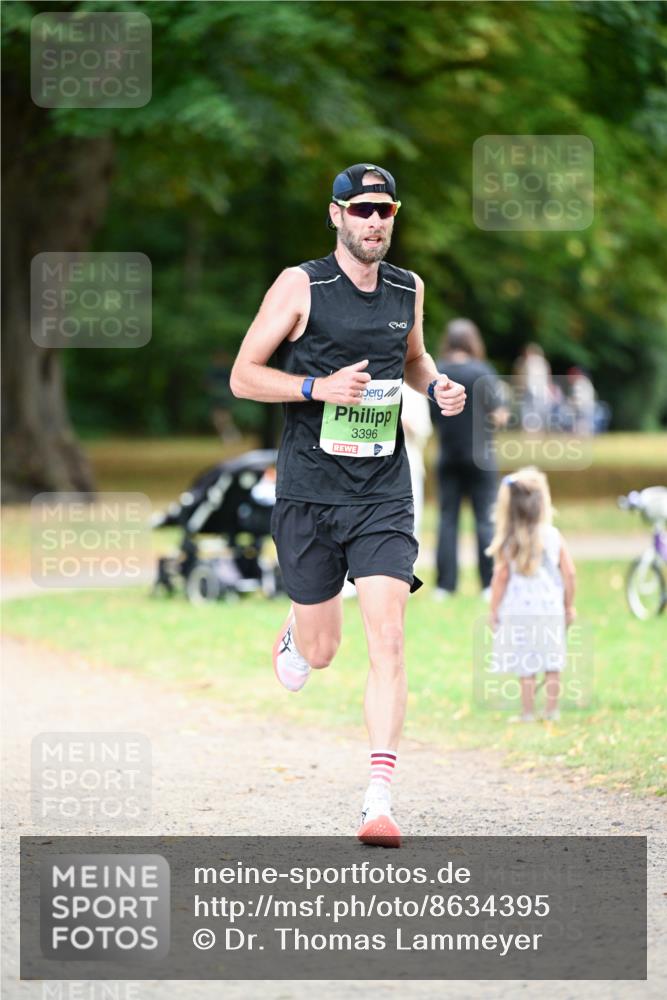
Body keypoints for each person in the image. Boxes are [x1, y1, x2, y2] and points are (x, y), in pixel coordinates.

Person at [230, 163, 466, 847]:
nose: (373, 222)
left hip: (381, 492)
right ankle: (297, 630)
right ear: (335, 215)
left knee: (388, 638)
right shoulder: (300, 285)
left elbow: (413, 359)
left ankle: (378, 799)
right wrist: (315, 390)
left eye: (384, 211)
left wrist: (438, 385)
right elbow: (245, 376)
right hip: (309, 490)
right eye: (360, 210)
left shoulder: (406, 287)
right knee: (322, 651)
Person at [486, 467, 577, 722]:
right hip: (550, 608)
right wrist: (568, 605)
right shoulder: (553, 535)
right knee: (552, 659)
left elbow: (500, 579)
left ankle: (527, 712)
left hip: (518, 610)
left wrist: (493, 610)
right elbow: (569, 573)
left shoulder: (509, 539)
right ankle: (552, 710)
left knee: (526, 661)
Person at [432, 319, 508, 599]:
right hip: (481, 457)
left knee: (447, 520)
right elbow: (500, 415)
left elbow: (431, 415)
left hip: (448, 455)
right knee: (486, 521)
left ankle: (444, 586)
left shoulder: (438, 372)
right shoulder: (482, 371)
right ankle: (488, 584)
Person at [400, 382, 432, 541]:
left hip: (410, 464)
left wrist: (406, 425)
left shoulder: (413, 390)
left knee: (412, 519)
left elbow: (424, 430)